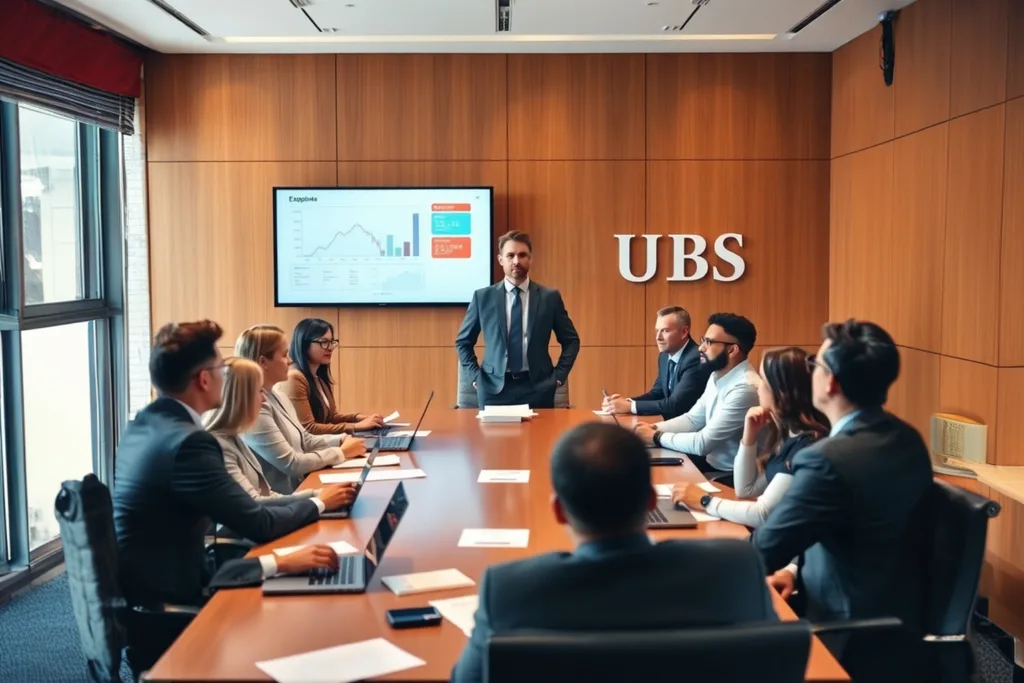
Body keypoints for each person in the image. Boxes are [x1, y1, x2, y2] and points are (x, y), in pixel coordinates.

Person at [450, 422, 777, 683]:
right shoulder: (735, 567)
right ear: (651, 501)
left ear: (559, 511)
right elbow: (771, 666)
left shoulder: (507, 590)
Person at [112, 321, 345, 670]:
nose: (227, 375)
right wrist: (315, 509)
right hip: (176, 613)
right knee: (317, 629)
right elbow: (257, 521)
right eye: (221, 369)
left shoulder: (143, 426)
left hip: (152, 600)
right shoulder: (191, 443)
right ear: (204, 380)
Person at [751, 320, 934, 683]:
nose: (811, 374)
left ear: (830, 382)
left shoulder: (826, 459)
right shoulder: (907, 438)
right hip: (903, 620)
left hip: (845, 631)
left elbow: (763, 549)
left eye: (814, 366)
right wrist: (793, 570)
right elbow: (853, 522)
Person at [671, 347, 829, 528]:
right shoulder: (786, 434)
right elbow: (746, 489)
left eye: (763, 380)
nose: (758, 386)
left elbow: (762, 514)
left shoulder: (807, 444)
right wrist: (749, 437)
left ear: (780, 392)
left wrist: (705, 501)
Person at [205, 356, 357, 506]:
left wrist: (318, 495)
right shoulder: (219, 445)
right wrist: (318, 501)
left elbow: (267, 495)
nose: (264, 400)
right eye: (259, 391)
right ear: (240, 398)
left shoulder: (234, 436)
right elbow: (253, 506)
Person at [455, 230, 580, 409]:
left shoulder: (549, 297)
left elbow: (571, 341)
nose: (516, 261)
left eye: (522, 255)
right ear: (501, 260)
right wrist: (476, 377)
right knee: (492, 438)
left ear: (530, 259)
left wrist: (558, 377)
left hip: (538, 388)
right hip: (493, 389)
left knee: (540, 438)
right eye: (510, 255)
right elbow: (463, 342)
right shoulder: (483, 298)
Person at [236, 324, 366, 493]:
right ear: (263, 362)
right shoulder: (253, 407)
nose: (290, 361)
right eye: (284, 355)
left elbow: (304, 438)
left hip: (301, 489)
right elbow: (291, 464)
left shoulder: (276, 392)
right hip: (283, 501)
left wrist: (341, 439)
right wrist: (340, 452)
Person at [634, 313, 759, 476]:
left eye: (709, 342)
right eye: (703, 340)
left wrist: (656, 436)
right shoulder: (717, 374)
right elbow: (692, 420)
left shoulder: (745, 388)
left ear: (732, 350)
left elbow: (702, 443)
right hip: (711, 463)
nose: (701, 348)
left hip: (733, 475)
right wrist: (651, 428)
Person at [279, 317, 384, 435]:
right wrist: (356, 426)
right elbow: (308, 429)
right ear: (304, 344)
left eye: (332, 342)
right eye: (324, 342)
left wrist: (360, 418)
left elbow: (332, 417)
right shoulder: (295, 378)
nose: (330, 348)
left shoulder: (319, 376)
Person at [602, 306, 709, 420]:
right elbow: (657, 394)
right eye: (657, 330)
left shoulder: (696, 358)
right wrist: (623, 403)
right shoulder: (664, 357)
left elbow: (676, 405)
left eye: (665, 330)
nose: (658, 337)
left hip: (692, 429)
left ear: (684, 332)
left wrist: (629, 406)